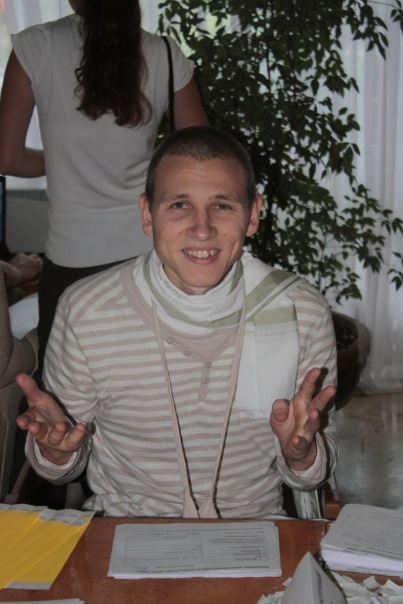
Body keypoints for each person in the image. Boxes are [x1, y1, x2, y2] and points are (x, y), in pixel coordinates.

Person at [15, 126, 338, 519]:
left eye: (222, 206)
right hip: (124, 528)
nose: (202, 228)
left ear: (253, 215)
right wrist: (53, 451)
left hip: (255, 530)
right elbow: (62, 465)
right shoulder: (88, 311)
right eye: (179, 205)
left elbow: (314, 469)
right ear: (147, 215)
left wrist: (301, 455)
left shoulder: (299, 310)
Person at [0, 0, 208, 374]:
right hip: (152, 257)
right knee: (152, 387)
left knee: (66, 396)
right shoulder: (164, 53)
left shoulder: (35, 46)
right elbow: (201, 160)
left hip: (73, 263)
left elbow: (7, 158)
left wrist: (61, 158)